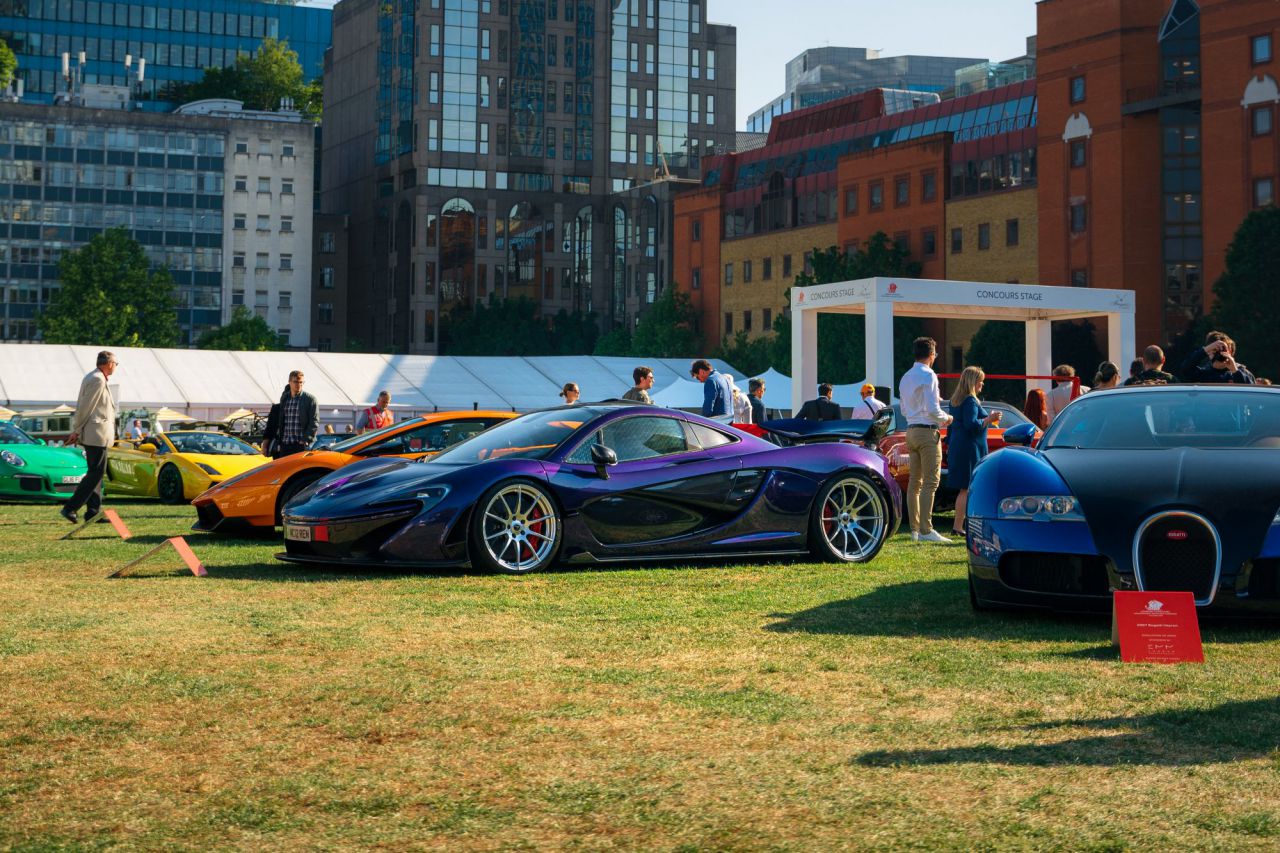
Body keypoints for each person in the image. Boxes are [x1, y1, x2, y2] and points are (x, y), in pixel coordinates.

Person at [898, 337, 953, 543]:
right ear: (931, 355)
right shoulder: (929, 375)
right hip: (927, 431)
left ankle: (915, 530)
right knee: (931, 481)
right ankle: (926, 529)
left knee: (915, 482)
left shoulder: (906, 376)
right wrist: (947, 418)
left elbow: (904, 409)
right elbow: (932, 409)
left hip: (911, 430)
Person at [60, 350, 119, 524]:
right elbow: (85, 407)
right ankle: (70, 507)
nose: (116, 367)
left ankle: (93, 512)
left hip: (96, 433)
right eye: (115, 364)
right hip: (96, 433)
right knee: (96, 472)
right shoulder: (97, 379)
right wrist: (76, 430)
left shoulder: (95, 377)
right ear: (109, 364)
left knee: (96, 473)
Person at [947, 366, 1000, 538]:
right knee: (967, 488)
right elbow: (971, 425)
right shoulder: (970, 400)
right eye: (980, 381)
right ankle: (958, 526)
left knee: (965, 488)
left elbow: (953, 427)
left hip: (959, 446)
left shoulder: (955, 400)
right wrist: (989, 419)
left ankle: (959, 526)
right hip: (970, 448)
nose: (982, 385)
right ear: (973, 382)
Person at [270, 370, 318, 458]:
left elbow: (314, 422)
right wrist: (280, 440)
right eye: (296, 382)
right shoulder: (285, 398)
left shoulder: (310, 399)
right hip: (285, 444)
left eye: (301, 382)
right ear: (289, 382)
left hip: (301, 444)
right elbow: (282, 420)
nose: (299, 384)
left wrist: (306, 440)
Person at [1179, 331, 1256, 384]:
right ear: (1209, 353)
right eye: (1215, 350)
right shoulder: (1203, 374)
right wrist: (1205, 350)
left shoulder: (1243, 373)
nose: (1218, 353)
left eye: (1222, 350)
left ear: (1230, 353)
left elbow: (1251, 394)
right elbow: (1185, 369)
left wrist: (1235, 371)